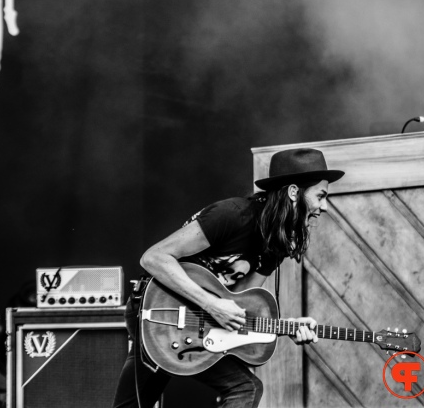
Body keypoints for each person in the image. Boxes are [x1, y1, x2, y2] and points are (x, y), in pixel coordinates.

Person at [112, 148, 345, 408]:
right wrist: (211, 304)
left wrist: (286, 327)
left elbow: (241, 306)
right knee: (244, 388)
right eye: (320, 196)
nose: (324, 207)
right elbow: (154, 258)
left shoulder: (276, 244)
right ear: (293, 192)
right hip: (155, 308)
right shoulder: (232, 215)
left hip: (193, 322)